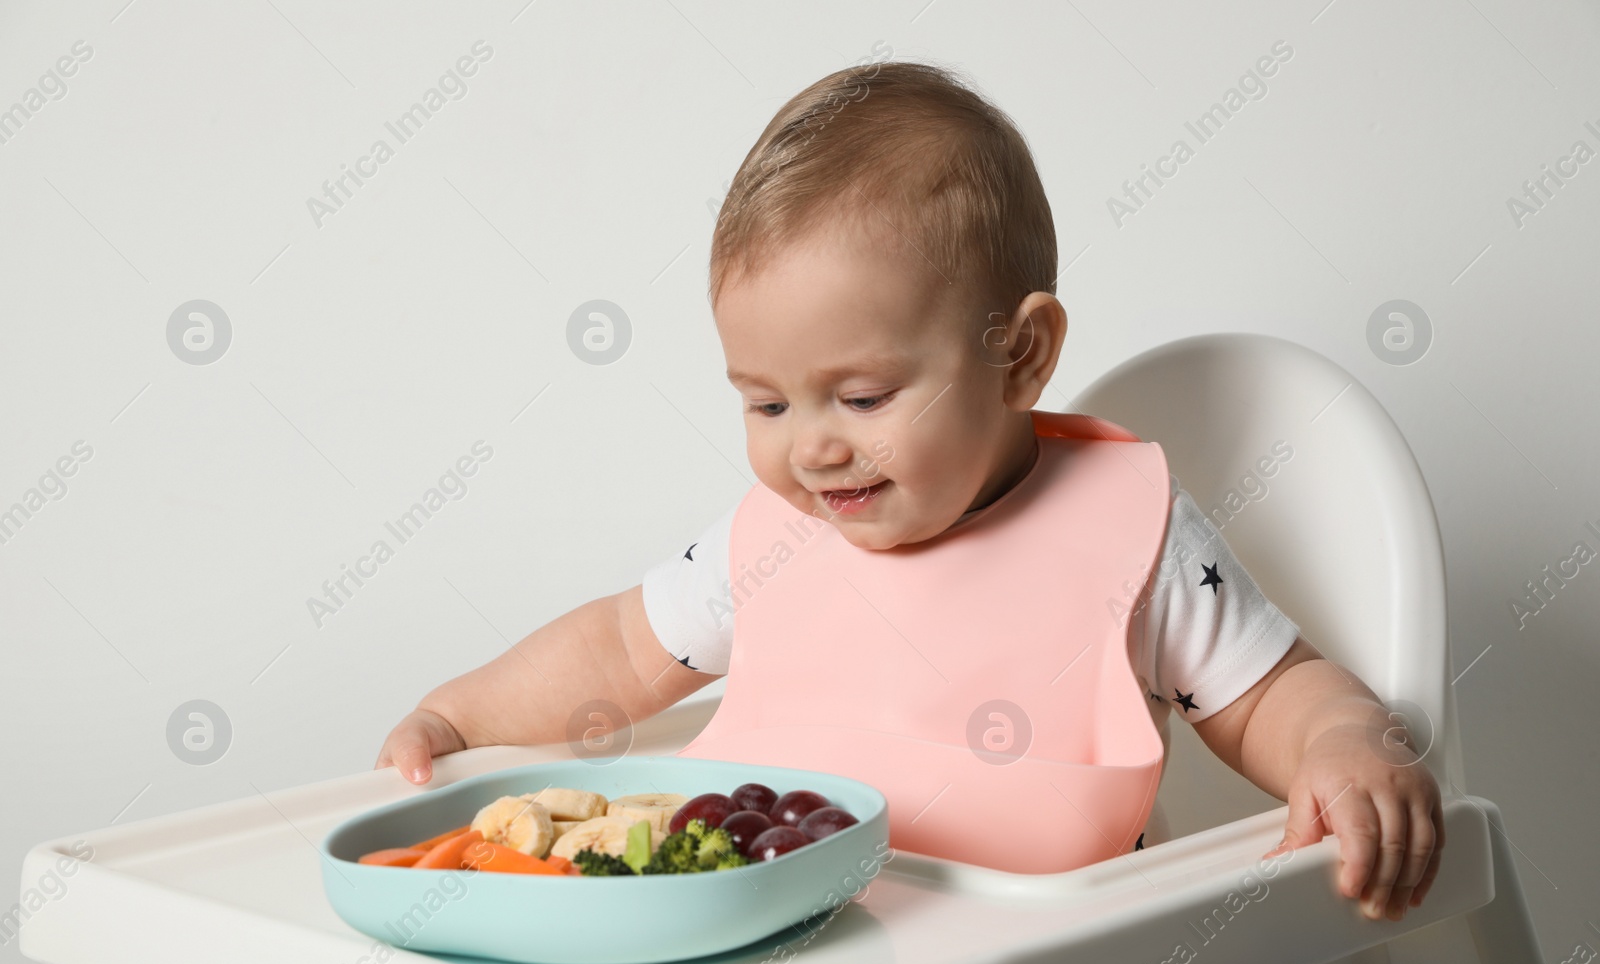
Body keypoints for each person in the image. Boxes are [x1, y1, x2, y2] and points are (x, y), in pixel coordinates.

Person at [377, 58, 1442, 918]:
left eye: (862, 394)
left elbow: (1269, 691)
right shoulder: (772, 547)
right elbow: (613, 652)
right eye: (767, 404)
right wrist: (457, 715)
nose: (813, 451)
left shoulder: (1131, 538)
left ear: (1020, 355)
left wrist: (1342, 743)